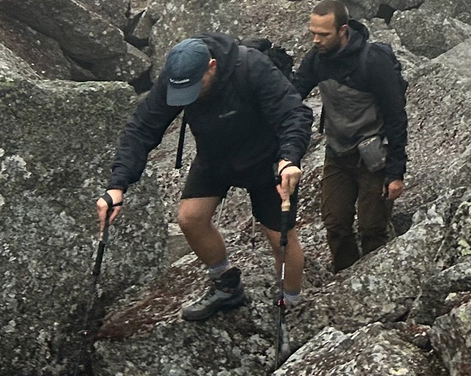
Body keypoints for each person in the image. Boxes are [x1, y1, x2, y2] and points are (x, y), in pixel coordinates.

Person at [98, 32, 313, 321]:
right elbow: (141, 128)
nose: (189, 96)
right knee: (190, 219)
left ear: (212, 66)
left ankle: (292, 306)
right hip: (216, 157)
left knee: (281, 239)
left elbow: (294, 113)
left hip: (268, 159)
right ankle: (226, 285)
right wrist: (117, 186)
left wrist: (290, 158)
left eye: (195, 88)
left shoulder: (251, 67)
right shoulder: (178, 77)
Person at [292, 0, 408, 272]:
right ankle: (346, 282)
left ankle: (376, 283)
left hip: (373, 157)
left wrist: (396, 172)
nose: (316, 40)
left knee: (372, 228)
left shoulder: (373, 62)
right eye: (313, 33)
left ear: (343, 30)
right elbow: (292, 94)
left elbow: (396, 116)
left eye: (324, 34)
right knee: (335, 224)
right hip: (337, 153)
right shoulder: (316, 60)